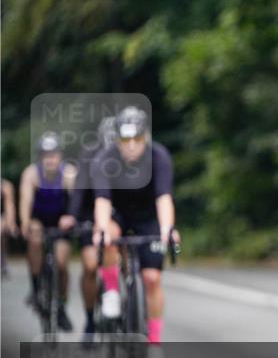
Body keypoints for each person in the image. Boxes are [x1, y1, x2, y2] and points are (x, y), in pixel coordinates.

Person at [91, 107, 180, 345]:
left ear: (145, 138)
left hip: (148, 216)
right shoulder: (104, 159)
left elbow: (163, 197)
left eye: (137, 139)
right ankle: (111, 290)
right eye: (125, 139)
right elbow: (102, 200)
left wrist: (167, 228)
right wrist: (101, 228)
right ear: (117, 140)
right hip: (118, 213)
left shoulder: (158, 156)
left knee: (152, 278)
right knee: (106, 235)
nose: (131, 145)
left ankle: (154, 338)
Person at [66, 117, 117, 340]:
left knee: (127, 253)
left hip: (119, 212)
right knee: (89, 266)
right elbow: (78, 190)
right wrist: (72, 215)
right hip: (90, 211)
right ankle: (89, 320)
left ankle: (131, 301)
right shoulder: (90, 155)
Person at [18, 132, 76, 329]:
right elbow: (25, 201)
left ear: (60, 156)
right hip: (39, 220)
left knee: (61, 263)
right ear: (40, 157)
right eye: (46, 155)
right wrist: (25, 223)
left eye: (54, 154)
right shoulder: (31, 174)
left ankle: (62, 305)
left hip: (62, 222)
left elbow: (76, 201)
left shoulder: (69, 173)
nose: (50, 159)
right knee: (34, 237)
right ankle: (35, 288)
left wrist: (72, 218)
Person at [1, 178, 17, 277]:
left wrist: (11, 224)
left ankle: (2, 260)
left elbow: (9, 207)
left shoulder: (5, 186)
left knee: (1, 227)